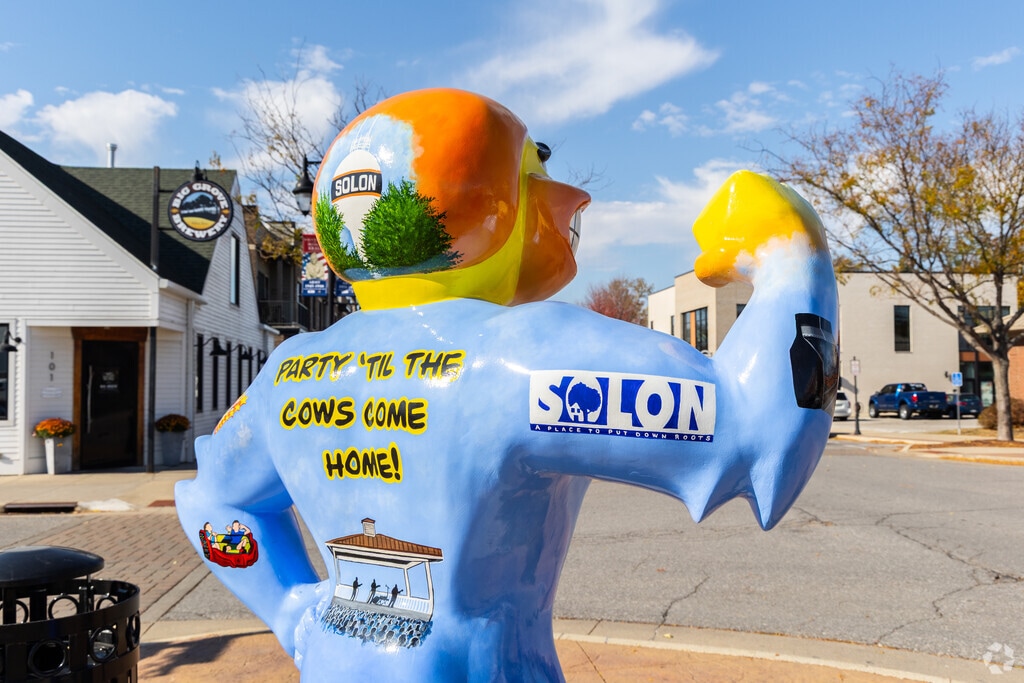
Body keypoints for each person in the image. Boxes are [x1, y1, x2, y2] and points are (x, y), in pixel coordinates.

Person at [176, 88, 838, 682]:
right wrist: (788, 251)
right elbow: (759, 432)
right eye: (531, 178)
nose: (566, 200)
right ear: (476, 201)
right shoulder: (520, 355)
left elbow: (214, 502)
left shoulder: (290, 370)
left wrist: (293, 607)